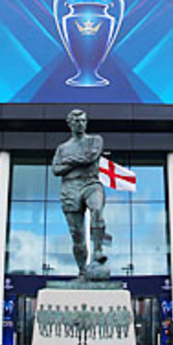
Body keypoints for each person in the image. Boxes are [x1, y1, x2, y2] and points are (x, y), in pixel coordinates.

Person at [51, 109, 111, 279]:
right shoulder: (63, 148)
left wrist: (69, 162)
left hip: (90, 183)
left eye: (83, 120)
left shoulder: (95, 140)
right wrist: (74, 163)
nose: (80, 124)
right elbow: (55, 170)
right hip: (70, 187)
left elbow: (90, 158)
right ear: (69, 123)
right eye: (76, 121)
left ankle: (98, 249)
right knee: (77, 234)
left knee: (97, 209)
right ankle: (82, 271)